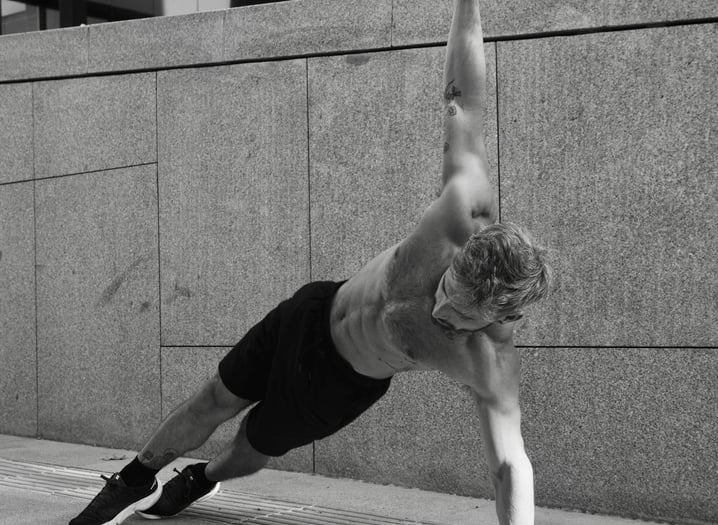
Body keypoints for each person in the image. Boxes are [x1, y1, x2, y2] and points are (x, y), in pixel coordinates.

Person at [70, 1, 551, 524]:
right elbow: (465, 96)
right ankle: (134, 478)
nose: (441, 309)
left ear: (503, 317)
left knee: (250, 447)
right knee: (213, 397)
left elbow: (510, 466)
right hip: (313, 311)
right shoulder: (460, 208)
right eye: (447, 287)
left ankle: (201, 478)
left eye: (460, 317)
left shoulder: (488, 362)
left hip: (336, 386)